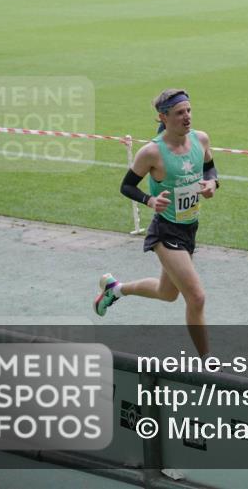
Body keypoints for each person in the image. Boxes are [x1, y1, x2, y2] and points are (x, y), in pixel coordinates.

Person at [94, 88, 219, 357]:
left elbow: (210, 167)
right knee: (196, 297)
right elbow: (126, 186)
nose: (187, 117)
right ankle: (207, 362)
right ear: (163, 117)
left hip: (190, 228)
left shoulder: (201, 139)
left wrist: (212, 183)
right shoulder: (151, 152)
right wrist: (149, 200)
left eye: (189, 110)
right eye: (179, 113)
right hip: (166, 231)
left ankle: (116, 290)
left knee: (167, 293)